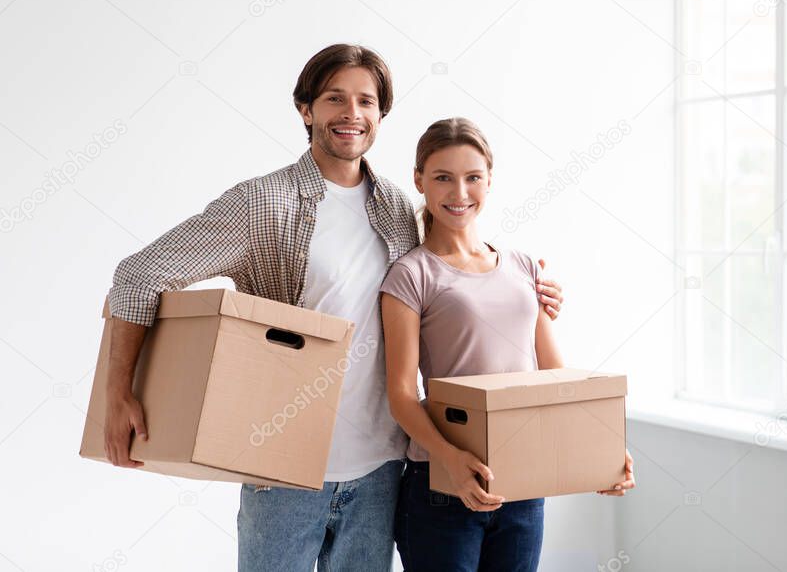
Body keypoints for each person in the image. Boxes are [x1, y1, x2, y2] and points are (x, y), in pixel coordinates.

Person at [101, 45, 564, 571]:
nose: (352, 114)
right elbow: (137, 278)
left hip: (381, 474)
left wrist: (533, 288)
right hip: (283, 472)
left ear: (380, 115)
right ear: (306, 109)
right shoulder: (262, 203)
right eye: (335, 99)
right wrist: (120, 393)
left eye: (366, 101)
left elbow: (456, 266)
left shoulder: (394, 207)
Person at [380, 117, 635, 572]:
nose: (459, 193)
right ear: (419, 180)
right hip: (441, 486)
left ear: (489, 180)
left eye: (473, 177)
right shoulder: (411, 274)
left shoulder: (522, 266)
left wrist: (601, 450)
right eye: (443, 177)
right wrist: (454, 461)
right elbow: (401, 395)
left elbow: (554, 379)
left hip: (521, 485)